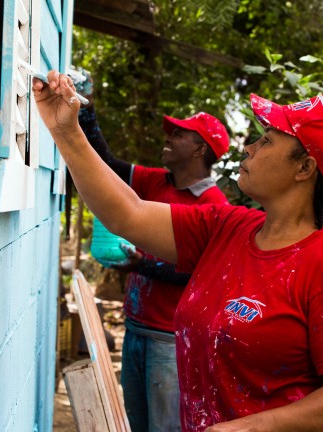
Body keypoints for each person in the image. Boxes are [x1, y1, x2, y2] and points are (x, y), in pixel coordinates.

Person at [33, 72, 323, 431]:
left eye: (266, 141)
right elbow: (128, 214)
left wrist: (246, 428)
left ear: (305, 168)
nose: (249, 148)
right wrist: (65, 131)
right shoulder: (227, 227)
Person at [77, 73, 230, 432]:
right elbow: (107, 166)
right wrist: (87, 110)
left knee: (165, 427)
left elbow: (197, 272)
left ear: (200, 149)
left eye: (179, 134)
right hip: (136, 328)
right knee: (140, 424)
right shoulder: (154, 181)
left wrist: (141, 264)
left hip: (170, 339)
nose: (169, 137)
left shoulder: (213, 204)